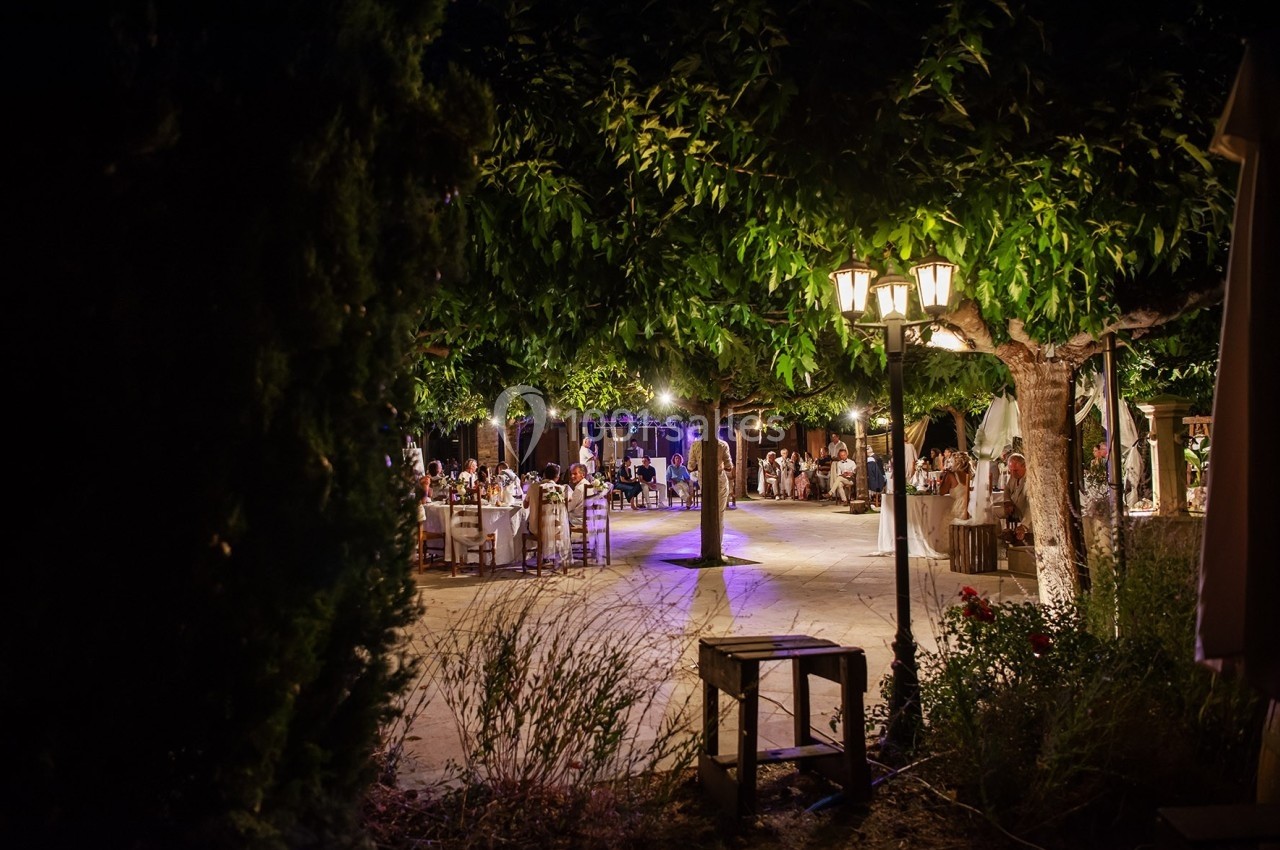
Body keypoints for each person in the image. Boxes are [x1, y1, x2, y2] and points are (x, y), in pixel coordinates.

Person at [687, 434, 734, 530]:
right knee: (719, 514)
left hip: (704, 481)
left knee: (707, 513)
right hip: (720, 481)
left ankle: (707, 541)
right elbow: (729, 466)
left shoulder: (695, 445)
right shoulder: (722, 445)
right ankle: (718, 542)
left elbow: (690, 466)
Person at [1003, 452, 1032, 542]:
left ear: (1024, 466)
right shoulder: (1014, 475)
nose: (1012, 473)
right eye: (1010, 470)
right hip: (1015, 511)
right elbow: (1007, 488)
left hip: (1027, 517)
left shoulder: (1030, 481)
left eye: (1015, 470)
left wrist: (1024, 525)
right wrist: (1007, 501)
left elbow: (1031, 506)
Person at [941, 451, 973, 521]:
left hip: (961, 510)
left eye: (951, 462)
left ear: (956, 463)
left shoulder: (951, 475)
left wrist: (944, 477)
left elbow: (941, 492)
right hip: (973, 508)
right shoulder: (971, 476)